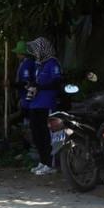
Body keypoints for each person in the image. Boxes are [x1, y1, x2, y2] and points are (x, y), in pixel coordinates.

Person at [25, 38, 63, 175]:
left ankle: (50, 163)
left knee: (47, 134)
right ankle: (42, 161)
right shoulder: (38, 65)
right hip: (35, 104)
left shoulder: (52, 63)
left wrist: (39, 87)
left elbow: (57, 82)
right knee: (37, 133)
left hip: (47, 103)